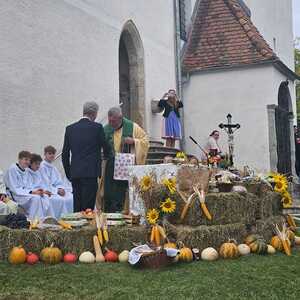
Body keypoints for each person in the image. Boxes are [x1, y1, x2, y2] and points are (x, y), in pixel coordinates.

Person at [97, 107, 149, 213]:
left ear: (120, 118)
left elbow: (146, 140)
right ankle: (109, 213)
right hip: (109, 165)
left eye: (113, 121)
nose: (111, 123)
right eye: (109, 121)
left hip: (125, 165)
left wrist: (134, 141)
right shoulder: (106, 129)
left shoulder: (133, 127)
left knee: (122, 191)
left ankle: (123, 212)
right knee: (109, 192)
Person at [62, 101, 110, 212]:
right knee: (88, 208)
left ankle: (76, 227)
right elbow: (106, 147)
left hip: (76, 173)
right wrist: (106, 156)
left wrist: (69, 173)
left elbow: (65, 154)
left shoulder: (70, 129)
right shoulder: (97, 127)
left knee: (77, 207)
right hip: (90, 173)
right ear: (94, 113)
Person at [4, 151, 52, 220]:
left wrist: (37, 191)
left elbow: (28, 186)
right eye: (25, 159)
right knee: (36, 198)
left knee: (42, 196)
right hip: (15, 195)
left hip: (24, 193)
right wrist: (32, 192)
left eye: (29, 160)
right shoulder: (13, 169)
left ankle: (41, 219)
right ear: (19, 159)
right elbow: (14, 188)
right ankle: (32, 220)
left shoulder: (25, 170)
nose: (27, 162)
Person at [28, 153, 72, 219]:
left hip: (45, 192)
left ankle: (64, 218)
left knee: (68, 197)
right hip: (34, 194)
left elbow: (45, 184)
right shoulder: (27, 173)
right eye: (36, 164)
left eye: (39, 164)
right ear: (30, 164)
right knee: (55, 200)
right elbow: (28, 187)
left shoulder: (38, 172)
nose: (38, 166)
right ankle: (50, 219)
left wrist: (55, 190)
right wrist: (43, 191)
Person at [39, 146, 73, 213]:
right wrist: (57, 191)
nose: (52, 155)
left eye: (53, 154)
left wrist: (61, 188)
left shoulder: (53, 167)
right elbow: (44, 184)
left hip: (56, 190)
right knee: (59, 200)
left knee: (71, 198)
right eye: (49, 153)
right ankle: (58, 219)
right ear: (45, 154)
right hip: (48, 191)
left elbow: (59, 181)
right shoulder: (41, 167)